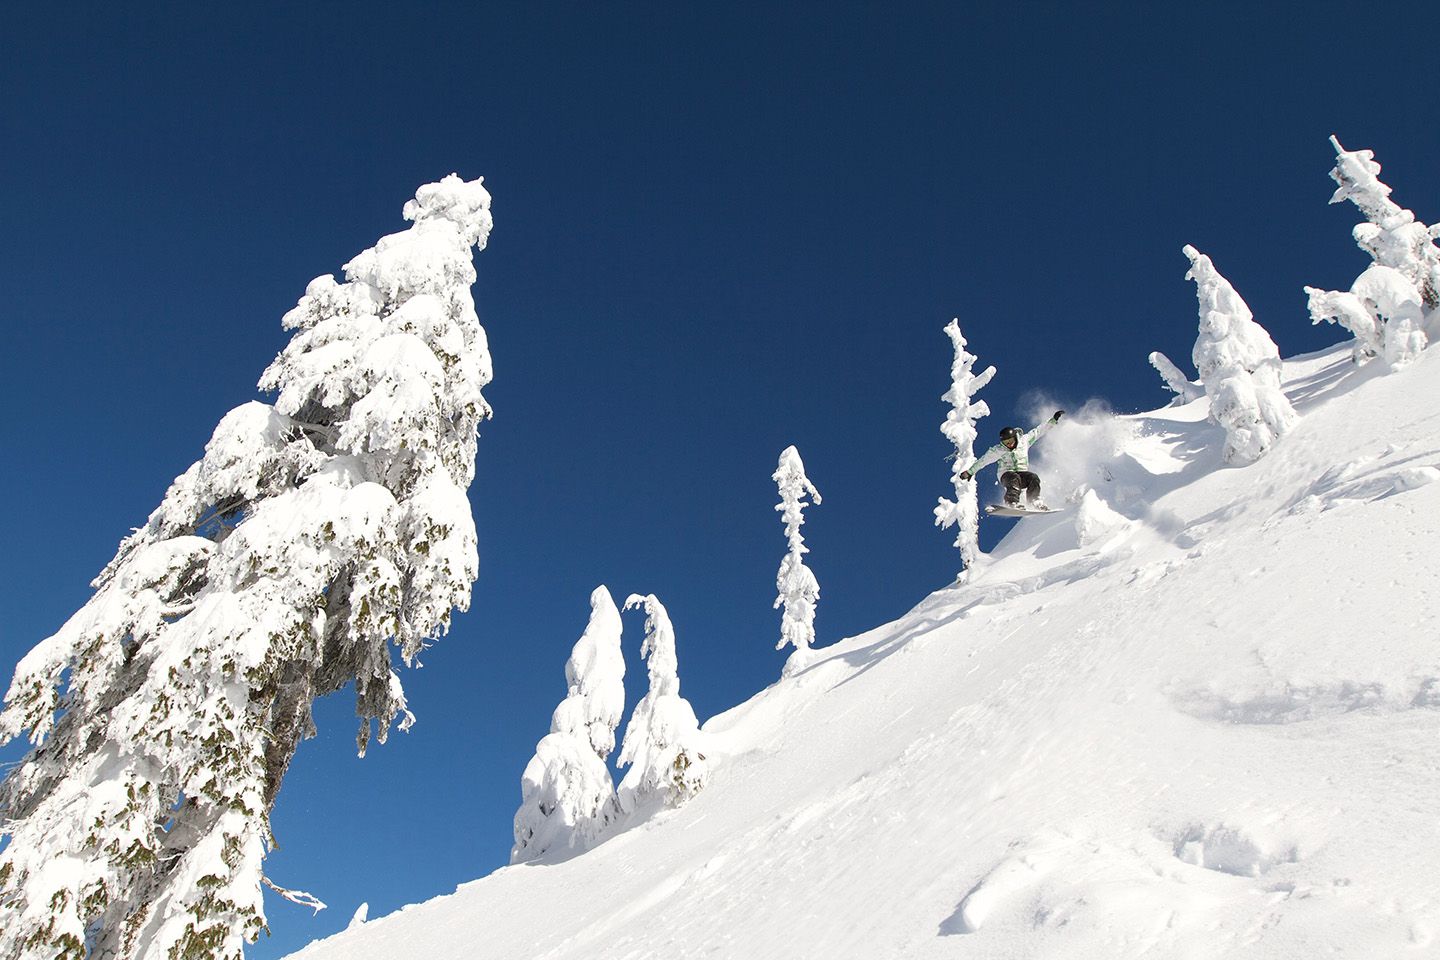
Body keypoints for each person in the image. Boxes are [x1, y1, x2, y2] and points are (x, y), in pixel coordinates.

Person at [960, 410, 1065, 508]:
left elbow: (1038, 431)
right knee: (1014, 477)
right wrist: (970, 472)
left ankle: (1034, 501)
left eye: (1010, 440)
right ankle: (1011, 502)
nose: (1009, 444)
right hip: (1006, 475)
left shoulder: (1024, 441)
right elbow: (983, 461)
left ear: (1015, 437)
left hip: (1022, 474)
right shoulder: (998, 450)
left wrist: (1053, 420)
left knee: (1033, 477)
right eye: (1006, 443)